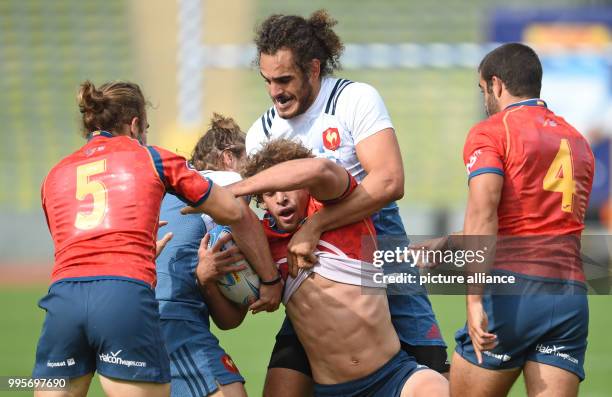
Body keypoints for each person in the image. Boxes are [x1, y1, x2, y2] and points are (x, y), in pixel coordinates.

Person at [246, 10, 448, 395]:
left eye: (284, 79)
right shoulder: (262, 131)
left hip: (380, 256)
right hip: (309, 283)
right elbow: (267, 218)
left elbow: (389, 180)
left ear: (314, 69)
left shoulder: (352, 99)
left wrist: (315, 225)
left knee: (435, 378)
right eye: (267, 81)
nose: (275, 91)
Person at [32, 81, 276, 397]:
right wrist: (269, 278)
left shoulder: (55, 174)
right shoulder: (151, 158)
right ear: (135, 125)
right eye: (145, 127)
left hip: (63, 300)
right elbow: (234, 211)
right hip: (124, 294)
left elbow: (73, 245)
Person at [196, 138, 448, 397]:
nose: (281, 199)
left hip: (392, 377)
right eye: (270, 194)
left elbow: (320, 170)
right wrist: (206, 279)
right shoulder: (261, 244)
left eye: (289, 188)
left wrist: (237, 188)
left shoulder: (343, 211)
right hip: (332, 391)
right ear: (261, 201)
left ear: (307, 188)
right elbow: (229, 320)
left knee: (434, 389)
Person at [444, 43, 594, 396]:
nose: (485, 100)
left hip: (512, 293)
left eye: (482, 90)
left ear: (496, 84)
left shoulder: (492, 131)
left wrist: (474, 299)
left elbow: (485, 212)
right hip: (569, 295)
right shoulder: (578, 140)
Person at [155, 114, 282, 397]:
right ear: (228, 158)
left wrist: (207, 282)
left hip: (146, 308)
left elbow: (229, 321)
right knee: (230, 391)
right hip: (170, 312)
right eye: (249, 161)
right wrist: (270, 280)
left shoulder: (168, 193)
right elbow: (242, 217)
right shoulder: (228, 181)